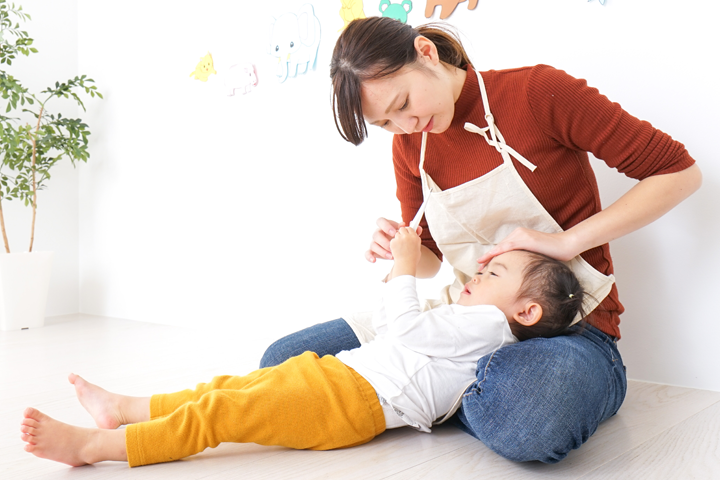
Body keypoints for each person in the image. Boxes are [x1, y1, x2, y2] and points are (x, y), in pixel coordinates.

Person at [259, 17, 703, 463]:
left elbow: (678, 172)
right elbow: (430, 257)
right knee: (282, 363)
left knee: (531, 415)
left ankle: (425, 396)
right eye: (386, 123)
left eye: (404, 103)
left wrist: (568, 242)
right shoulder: (411, 145)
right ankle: (454, 396)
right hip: (457, 326)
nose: (406, 125)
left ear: (427, 53)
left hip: (568, 331)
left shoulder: (536, 92)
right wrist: (401, 249)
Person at [20, 228, 585, 467]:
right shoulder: (474, 319)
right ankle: (124, 408)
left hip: (347, 400)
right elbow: (396, 328)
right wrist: (398, 273)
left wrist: (405, 266)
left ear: (526, 312)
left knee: (222, 412)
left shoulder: (486, 325)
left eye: (494, 273)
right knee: (229, 389)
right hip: (340, 381)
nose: (477, 273)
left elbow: (405, 328)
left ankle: (97, 446)